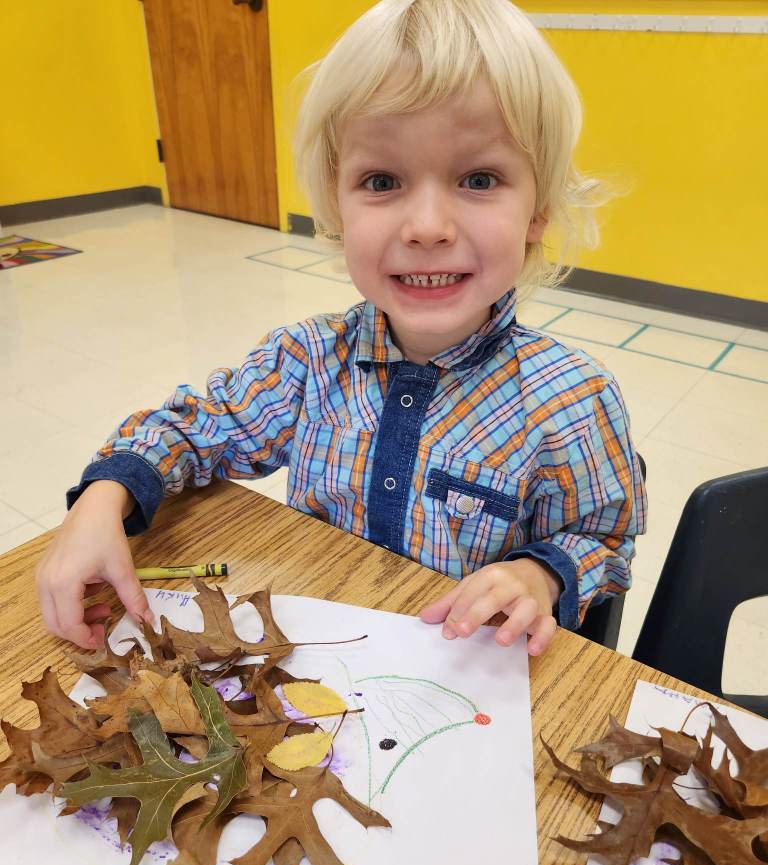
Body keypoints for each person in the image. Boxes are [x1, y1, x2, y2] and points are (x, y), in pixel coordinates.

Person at [36, 0, 646, 658]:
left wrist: (539, 574)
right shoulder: (304, 360)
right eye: (382, 180)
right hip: (320, 664)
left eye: (479, 178)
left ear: (538, 209)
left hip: (462, 675)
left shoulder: (573, 401)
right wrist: (103, 498)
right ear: (337, 204)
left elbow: (603, 539)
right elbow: (191, 428)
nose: (427, 227)